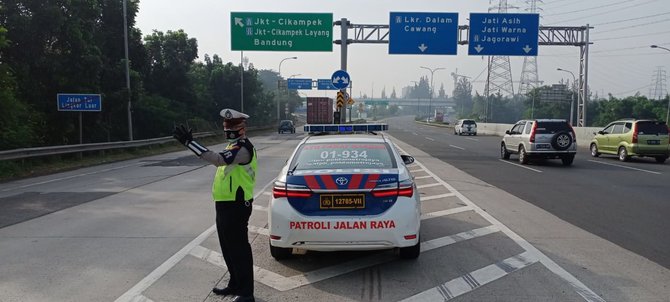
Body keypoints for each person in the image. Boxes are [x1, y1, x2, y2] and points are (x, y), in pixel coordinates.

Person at [172, 108, 257, 302]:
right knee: (228, 248)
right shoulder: (231, 146)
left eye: (233, 125)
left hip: (237, 204)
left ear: (242, 127)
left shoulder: (243, 148)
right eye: (226, 125)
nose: (229, 129)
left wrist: (190, 143)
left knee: (239, 248)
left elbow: (218, 160)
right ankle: (234, 284)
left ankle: (246, 293)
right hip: (224, 204)